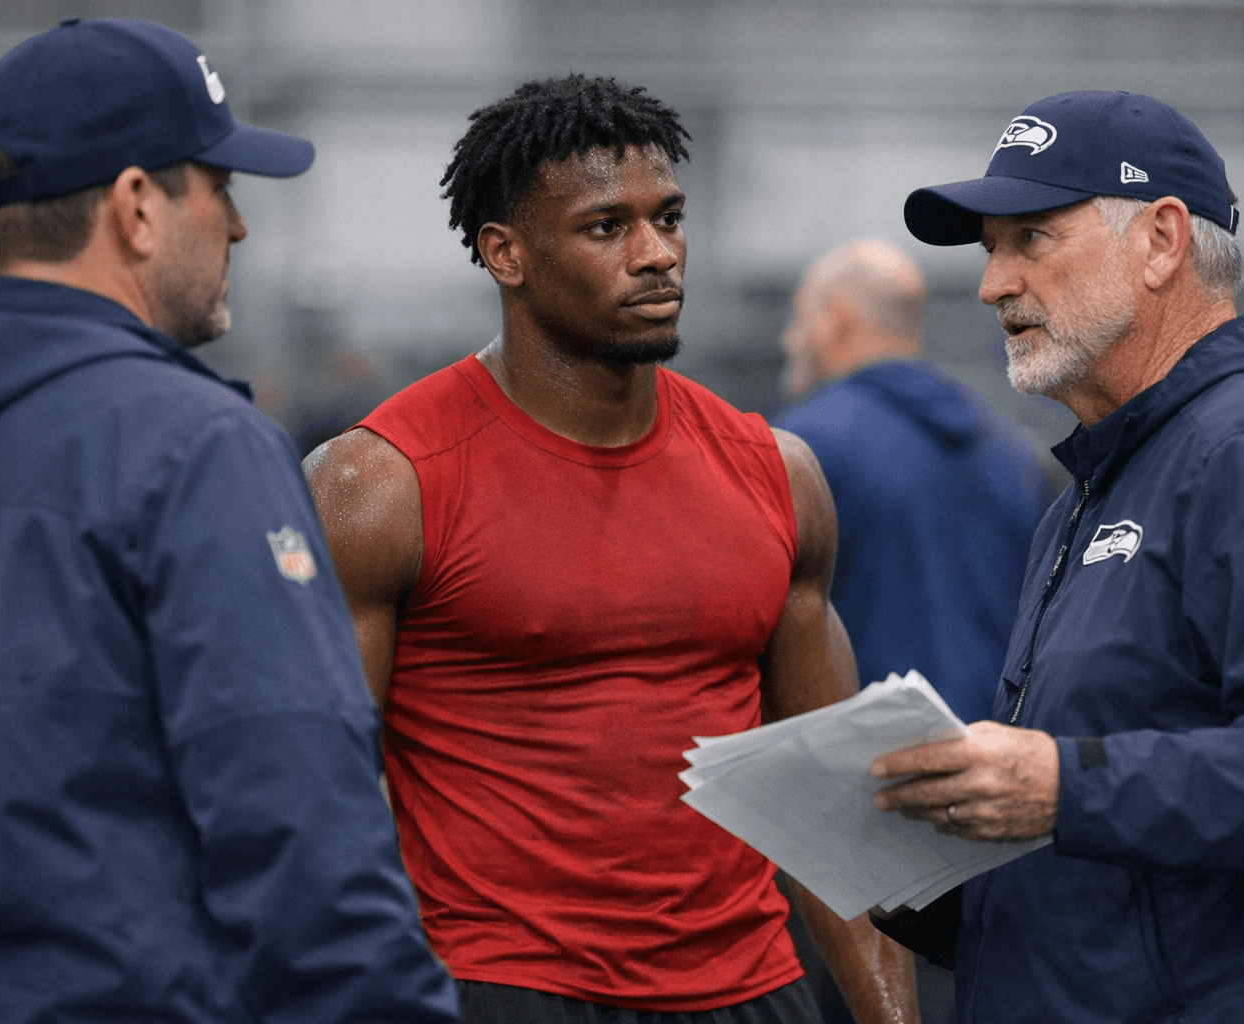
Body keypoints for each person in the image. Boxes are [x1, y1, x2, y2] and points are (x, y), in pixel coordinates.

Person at [0, 19, 457, 1023]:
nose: (238, 225)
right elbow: (304, 835)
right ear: (137, 206)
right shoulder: (192, 445)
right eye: (219, 186)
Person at [304, 75, 918, 1024]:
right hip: (504, 986)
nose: (659, 254)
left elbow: (836, 805)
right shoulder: (377, 487)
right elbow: (320, 799)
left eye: (669, 218)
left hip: (751, 990)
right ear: (505, 254)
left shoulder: (777, 474)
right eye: (607, 228)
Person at [866, 89, 1244, 1023]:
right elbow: (1127, 866)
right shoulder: (1100, 479)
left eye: (1030, 238)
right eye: (990, 248)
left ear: (1161, 240)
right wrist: (921, 873)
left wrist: (1060, 786)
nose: (992, 283)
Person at [773, 238, 1051, 724]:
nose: (790, 339)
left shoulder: (802, 448)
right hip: (993, 756)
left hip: (870, 763)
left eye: (800, 318)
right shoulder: (1011, 453)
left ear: (838, 317)